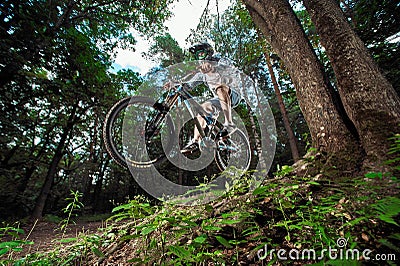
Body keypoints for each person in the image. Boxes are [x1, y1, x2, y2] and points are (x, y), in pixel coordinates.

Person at [180, 43, 242, 153]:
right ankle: (195, 141)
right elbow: (188, 85)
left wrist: (212, 68)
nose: (200, 58)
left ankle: (229, 124)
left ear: (208, 53)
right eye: (197, 56)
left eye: (202, 54)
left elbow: (227, 67)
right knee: (202, 109)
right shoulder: (201, 73)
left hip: (233, 94)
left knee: (220, 88)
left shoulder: (220, 59)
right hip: (219, 99)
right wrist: (175, 84)